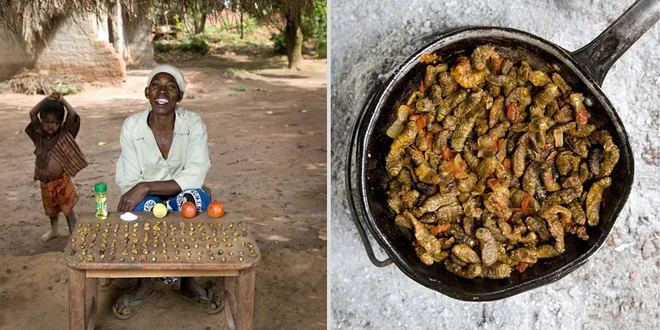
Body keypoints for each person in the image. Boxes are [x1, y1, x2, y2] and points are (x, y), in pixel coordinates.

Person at [112, 64, 223, 319]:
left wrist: (147, 185)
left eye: (171, 86)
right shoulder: (132, 126)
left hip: (178, 192)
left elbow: (195, 174)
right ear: (147, 92)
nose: (162, 90)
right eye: (156, 85)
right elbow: (129, 177)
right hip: (145, 197)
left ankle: (187, 280)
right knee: (138, 210)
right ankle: (146, 280)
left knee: (197, 202)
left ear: (180, 96)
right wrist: (143, 190)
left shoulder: (193, 124)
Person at [25, 92, 88, 241]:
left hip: (61, 180)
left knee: (67, 208)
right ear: (41, 121)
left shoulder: (65, 134)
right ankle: (54, 230)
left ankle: (73, 231)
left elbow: (73, 115)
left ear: (60, 123)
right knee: (51, 209)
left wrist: (63, 100)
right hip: (45, 180)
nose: (50, 126)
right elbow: (33, 113)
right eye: (46, 122)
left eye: (55, 123)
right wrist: (45, 99)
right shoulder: (38, 134)